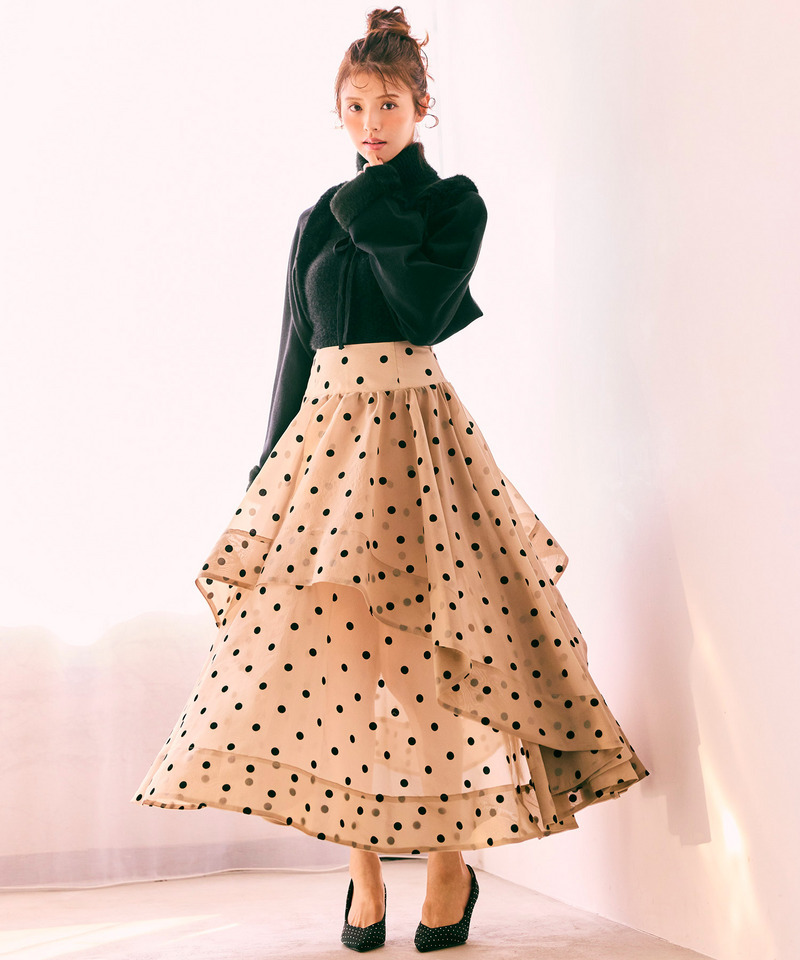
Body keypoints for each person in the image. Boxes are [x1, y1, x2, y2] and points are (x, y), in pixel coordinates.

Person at [132, 6, 649, 953]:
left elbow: (426, 310)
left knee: (430, 660)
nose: (370, 124)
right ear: (338, 110)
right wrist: (266, 469)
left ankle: (450, 865)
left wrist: (371, 203)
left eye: (389, 106)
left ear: (421, 108)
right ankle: (362, 873)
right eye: (355, 106)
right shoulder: (314, 220)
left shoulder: (452, 203)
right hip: (324, 454)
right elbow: (294, 351)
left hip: (415, 445)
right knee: (337, 664)